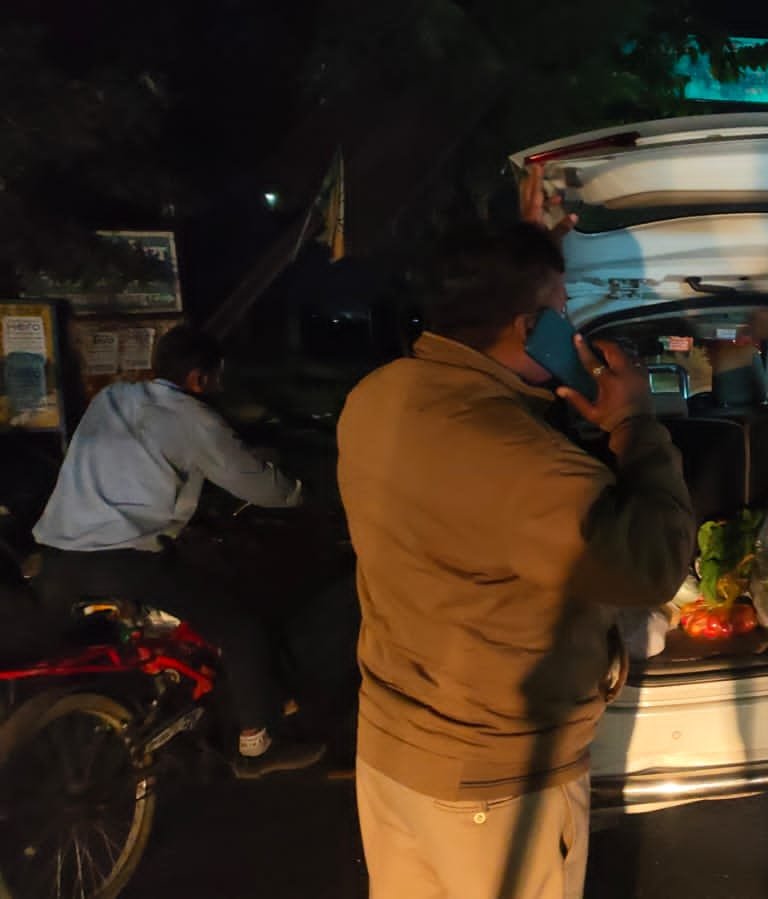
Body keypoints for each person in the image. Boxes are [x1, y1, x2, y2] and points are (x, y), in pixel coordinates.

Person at [337, 167, 694, 899]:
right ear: (529, 327)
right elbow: (654, 563)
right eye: (561, 310)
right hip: (495, 784)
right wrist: (633, 421)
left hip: (394, 752)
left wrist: (525, 260)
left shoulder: (375, 397)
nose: (571, 325)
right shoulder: (523, 462)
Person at [32, 324, 323, 777]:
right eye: (216, 377)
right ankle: (257, 745)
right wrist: (303, 495)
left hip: (55, 559)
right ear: (199, 378)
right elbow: (256, 484)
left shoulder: (111, 398)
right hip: (123, 563)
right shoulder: (195, 418)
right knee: (240, 629)